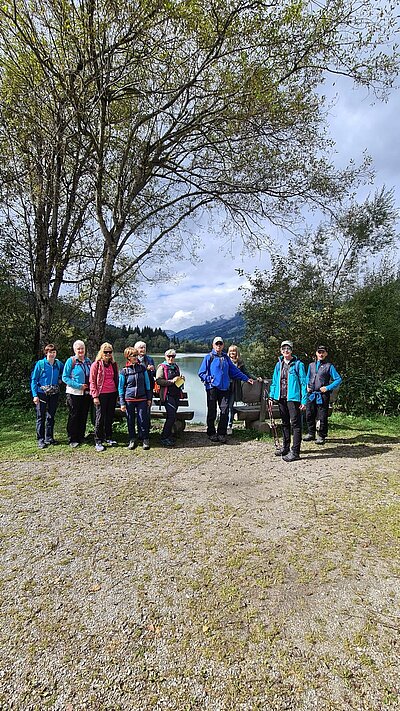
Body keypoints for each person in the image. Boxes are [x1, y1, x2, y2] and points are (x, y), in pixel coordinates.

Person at [198, 336, 254, 444]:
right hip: (212, 388)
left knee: (225, 410)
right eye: (216, 344)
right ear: (213, 345)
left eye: (220, 344)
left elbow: (234, 371)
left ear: (223, 345)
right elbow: (201, 373)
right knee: (212, 411)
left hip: (225, 388)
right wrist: (210, 379)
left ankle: (221, 433)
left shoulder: (225, 358)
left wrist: (246, 378)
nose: (218, 346)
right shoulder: (208, 357)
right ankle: (211, 433)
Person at [269, 340, 307, 462]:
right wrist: (271, 396)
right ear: (281, 350)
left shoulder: (298, 364)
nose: (286, 351)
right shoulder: (278, 365)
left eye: (288, 348)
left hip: (293, 398)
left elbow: (303, 383)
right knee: (285, 423)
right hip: (281, 398)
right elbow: (274, 382)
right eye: (284, 348)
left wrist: (304, 400)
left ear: (292, 350)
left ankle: (295, 451)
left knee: (296, 425)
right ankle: (285, 448)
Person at [304, 344, 342, 445]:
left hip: (322, 395)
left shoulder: (329, 366)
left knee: (322, 416)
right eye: (319, 352)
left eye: (323, 352)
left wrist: (328, 388)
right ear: (316, 353)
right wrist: (307, 386)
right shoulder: (311, 365)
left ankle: (321, 435)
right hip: (311, 394)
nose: (321, 354)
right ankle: (311, 433)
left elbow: (338, 379)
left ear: (326, 354)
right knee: (309, 414)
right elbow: (307, 377)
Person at [31, 344, 64, 448]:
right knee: (41, 417)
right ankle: (40, 440)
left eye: (54, 352)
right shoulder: (40, 364)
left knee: (51, 416)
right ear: (46, 353)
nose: (52, 354)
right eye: (50, 352)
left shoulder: (58, 364)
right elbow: (34, 380)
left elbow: (65, 373)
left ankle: (49, 437)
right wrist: (35, 395)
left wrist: (60, 379)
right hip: (41, 394)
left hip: (54, 393)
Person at [119, 347, 152, 450]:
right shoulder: (124, 371)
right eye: (133, 355)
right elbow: (120, 387)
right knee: (130, 420)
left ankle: (145, 439)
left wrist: (149, 398)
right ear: (128, 357)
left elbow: (147, 384)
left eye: (136, 355)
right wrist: (122, 403)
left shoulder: (142, 368)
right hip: (129, 399)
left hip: (142, 398)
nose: (136, 357)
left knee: (143, 419)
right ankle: (132, 439)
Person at [89, 342, 119, 452]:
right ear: (101, 352)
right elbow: (92, 381)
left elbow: (116, 379)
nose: (108, 354)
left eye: (110, 352)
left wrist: (118, 394)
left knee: (109, 417)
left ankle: (108, 437)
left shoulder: (113, 364)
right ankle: (98, 440)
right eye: (105, 352)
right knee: (100, 417)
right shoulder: (96, 364)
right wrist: (95, 396)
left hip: (112, 393)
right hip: (101, 394)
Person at [62, 340, 92, 448]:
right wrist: (78, 385)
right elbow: (65, 377)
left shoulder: (88, 361)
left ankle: (81, 436)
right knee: (74, 415)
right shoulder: (71, 361)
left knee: (83, 415)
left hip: (86, 393)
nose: (80, 351)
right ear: (74, 350)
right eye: (78, 349)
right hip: (73, 392)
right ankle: (72, 438)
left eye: (82, 348)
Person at [155, 348, 185, 447]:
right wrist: (172, 381)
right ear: (165, 357)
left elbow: (178, 381)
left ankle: (168, 436)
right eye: (169, 356)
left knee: (172, 416)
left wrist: (181, 380)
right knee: (171, 416)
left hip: (176, 394)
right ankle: (164, 437)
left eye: (173, 356)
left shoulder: (175, 366)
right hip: (167, 395)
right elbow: (159, 380)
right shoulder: (162, 367)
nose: (171, 358)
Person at [226, 344, 251, 435]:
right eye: (231, 351)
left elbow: (246, 373)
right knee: (224, 407)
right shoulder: (225, 361)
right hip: (225, 387)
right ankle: (223, 425)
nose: (232, 353)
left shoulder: (240, 363)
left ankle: (229, 425)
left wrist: (256, 378)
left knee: (230, 407)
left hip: (234, 388)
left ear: (237, 352)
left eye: (234, 351)